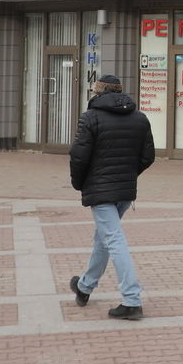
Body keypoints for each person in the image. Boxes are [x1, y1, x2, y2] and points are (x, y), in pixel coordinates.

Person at [69, 73, 155, 320]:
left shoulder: (90, 118)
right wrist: (128, 174)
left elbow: (78, 156)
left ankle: (131, 300)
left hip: (101, 191)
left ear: (98, 92)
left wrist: (80, 183)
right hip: (124, 191)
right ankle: (84, 286)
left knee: (114, 241)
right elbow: (147, 156)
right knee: (104, 238)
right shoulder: (140, 118)